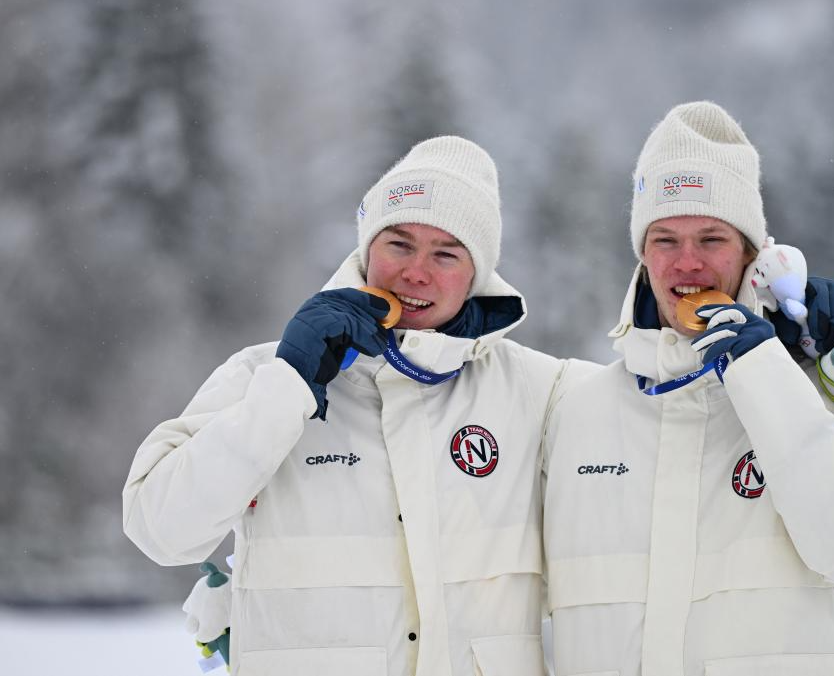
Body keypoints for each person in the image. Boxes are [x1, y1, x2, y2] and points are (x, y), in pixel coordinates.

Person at [123, 136, 587, 676]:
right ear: (367, 250)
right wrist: (289, 385)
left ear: (477, 274)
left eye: (446, 254)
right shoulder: (262, 374)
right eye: (399, 244)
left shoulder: (542, 391)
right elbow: (162, 533)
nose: (416, 272)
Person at [542, 102, 834, 676]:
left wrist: (764, 371)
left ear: (752, 251)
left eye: (711, 238)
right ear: (642, 254)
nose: (687, 263)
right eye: (665, 239)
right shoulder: (577, 409)